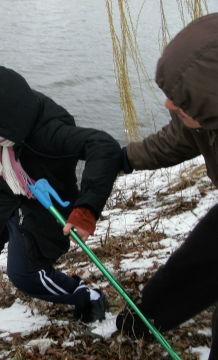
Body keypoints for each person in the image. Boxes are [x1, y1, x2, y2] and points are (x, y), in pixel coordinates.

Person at [0, 66, 122, 323]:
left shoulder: (50, 133)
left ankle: (87, 296)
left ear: (10, 120)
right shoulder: (8, 109)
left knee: (24, 274)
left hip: (46, 199)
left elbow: (104, 146)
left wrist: (88, 208)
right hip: (10, 183)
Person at [116, 13, 218, 359]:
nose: (168, 104)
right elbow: (181, 135)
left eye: (182, 100)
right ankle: (144, 320)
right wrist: (124, 159)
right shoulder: (206, 115)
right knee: (193, 262)